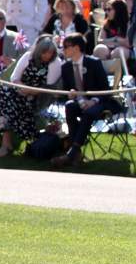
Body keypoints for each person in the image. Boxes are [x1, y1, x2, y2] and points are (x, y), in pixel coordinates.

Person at [53, 33, 123, 167]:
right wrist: (70, 94)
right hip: (79, 102)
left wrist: (94, 100)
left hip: (99, 102)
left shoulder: (94, 63)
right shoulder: (65, 67)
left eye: (66, 46)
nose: (63, 50)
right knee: (69, 106)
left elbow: (105, 90)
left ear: (77, 48)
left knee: (89, 112)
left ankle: (72, 152)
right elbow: (67, 90)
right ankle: (75, 153)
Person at [0, 34, 61, 157]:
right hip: (20, 91)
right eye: (44, 52)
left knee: (7, 101)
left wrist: (31, 91)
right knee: (7, 93)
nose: (46, 55)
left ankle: (7, 143)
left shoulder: (55, 63)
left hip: (39, 97)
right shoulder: (28, 57)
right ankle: (16, 141)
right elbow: (14, 78)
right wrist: (22, 87)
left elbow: (49, 87)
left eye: (49, 53)